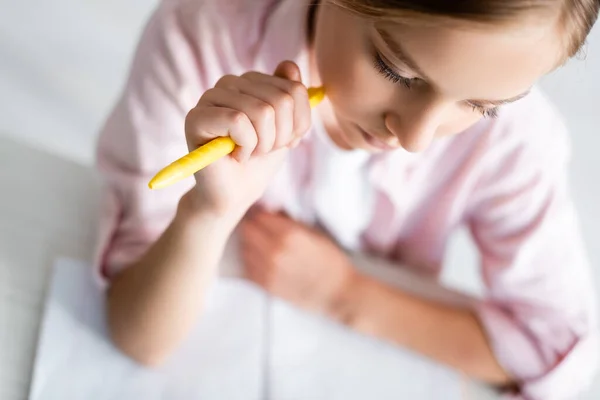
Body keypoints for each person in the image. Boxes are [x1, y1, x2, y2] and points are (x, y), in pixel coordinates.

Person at [95, 0, 600, 398]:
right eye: (395, 69)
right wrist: (208, 212)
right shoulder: (199, 37)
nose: (416, 137)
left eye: (481, 106)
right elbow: (139, 336)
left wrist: (345, 296)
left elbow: (555, 346)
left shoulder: (518, 141)